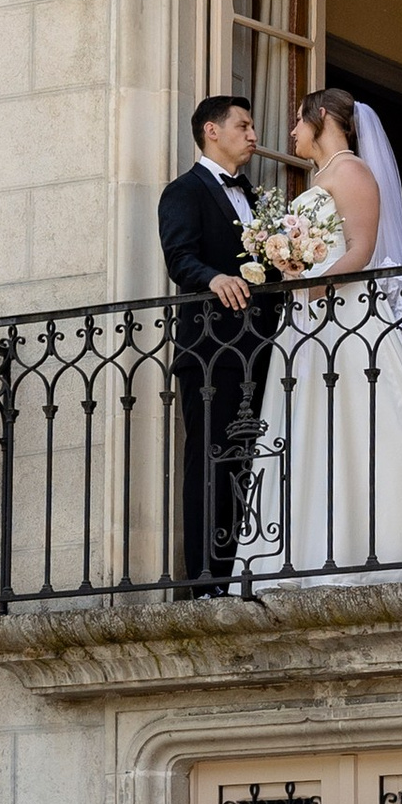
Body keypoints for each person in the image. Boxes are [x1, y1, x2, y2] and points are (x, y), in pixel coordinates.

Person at [238, 86, 402, 576]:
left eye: (298, 119)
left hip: (346, 317)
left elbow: (361, 248)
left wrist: (313, 285)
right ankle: (314, 551)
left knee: (366, 424)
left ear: (320, 119)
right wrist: (290, 266)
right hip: (310, 321)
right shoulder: (323, 176)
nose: (292, 131)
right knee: (316, 430)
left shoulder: (352, 171)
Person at [155, 96, 282, 590]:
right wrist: (214, 279)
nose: (253, 134)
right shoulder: (183, 190)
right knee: (209, 459)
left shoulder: (254, 195)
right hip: (210, 350)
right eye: (243, 125)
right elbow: (179, 258)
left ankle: (244, 572)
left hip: (261, 349)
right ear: (211, 131)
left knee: (251, 460)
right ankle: (206, 581)